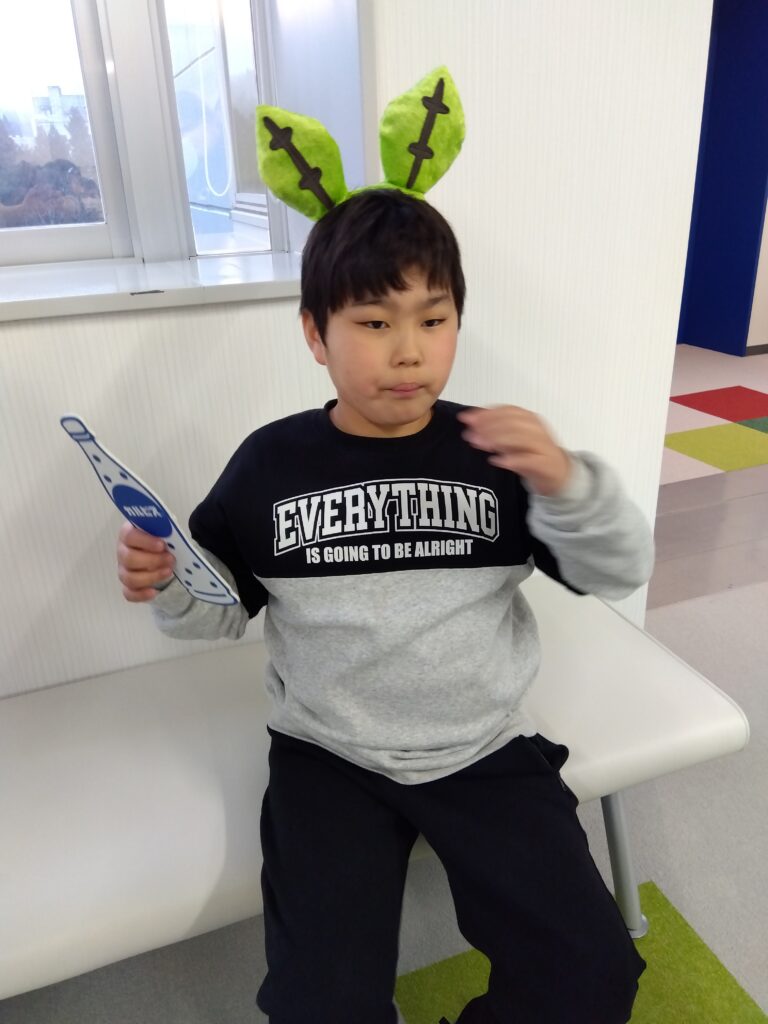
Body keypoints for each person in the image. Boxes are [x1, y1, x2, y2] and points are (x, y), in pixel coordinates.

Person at [116, 72, 653, 1024]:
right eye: (373, 323)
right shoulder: (270, 462)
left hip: (483, 745)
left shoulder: (494, 452)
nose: (408, 351)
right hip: (327, 754)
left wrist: (568, 482)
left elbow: (617, 569)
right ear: (315, 334)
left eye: (433, 320)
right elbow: (214, 612)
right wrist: (165, 582)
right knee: (318, 1005)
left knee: (594, 974)